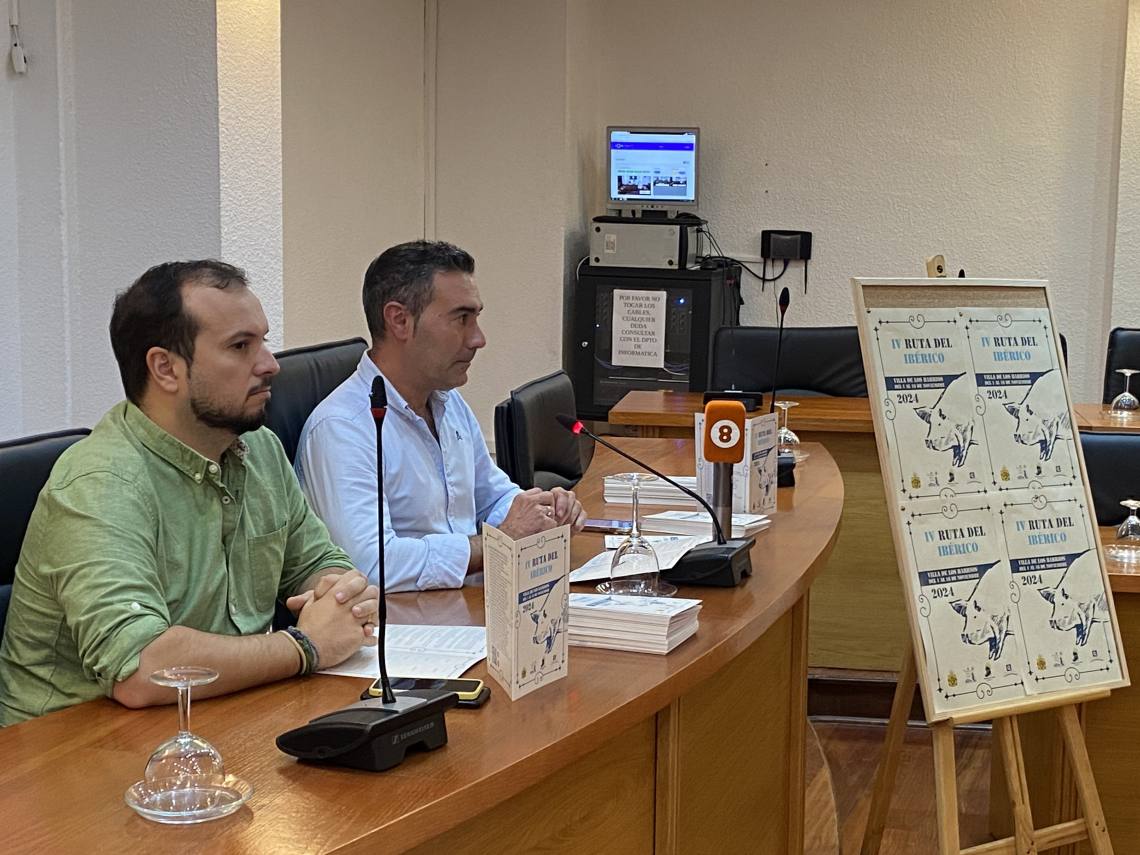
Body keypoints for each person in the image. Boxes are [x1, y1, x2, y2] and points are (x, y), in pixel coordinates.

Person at [0, 261, 378, 725]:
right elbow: (142, 668)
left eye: (263, 341)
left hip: (213, 716)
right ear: (165, 368)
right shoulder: (100, 484)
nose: (270, 364)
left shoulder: (257, 447)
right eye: (240, 346)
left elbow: (315, 563)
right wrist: (306, 645)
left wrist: (342, 596)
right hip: (75, 746)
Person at [295, 240, 585, 591]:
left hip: (467, 602)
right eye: (462, 319)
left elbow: (491, 497)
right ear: (400, 320)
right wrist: (495, 544)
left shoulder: (448, 402)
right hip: (410, 619)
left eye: (476, 318)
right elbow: (370, 565)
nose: (478, 339)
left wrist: (541, 511)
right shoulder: (342, 428)